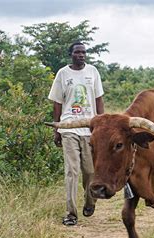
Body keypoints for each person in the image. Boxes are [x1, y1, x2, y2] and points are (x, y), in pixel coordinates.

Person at [48, 42, 104, 226]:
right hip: (69, 128)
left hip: (89, 128)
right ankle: (70, 213)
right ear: (70, 54)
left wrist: (101, 126)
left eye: (83, 52)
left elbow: (98, 99)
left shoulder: (93, 72)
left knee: (90, 171)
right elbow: (57, 102)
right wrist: (58, 129)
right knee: (72, 171)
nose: (81, 55)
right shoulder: (63, 74)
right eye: (77, 52)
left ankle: (90, 201)